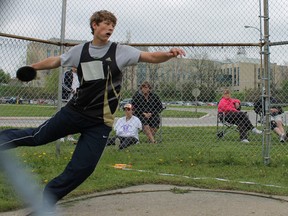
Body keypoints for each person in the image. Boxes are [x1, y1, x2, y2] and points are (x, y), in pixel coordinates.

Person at [0, 10, 185, 214]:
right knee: (37, 136)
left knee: (83, 169)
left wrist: (168, 54)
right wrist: (33, 67)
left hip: (100, 122)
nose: (110, 28)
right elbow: (57, 61)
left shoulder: (120, 51)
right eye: (106, 24)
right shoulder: (80, 51)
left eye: (113, 25)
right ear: (95, 25)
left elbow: (149, 56)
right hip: (74, 112)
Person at [60, 67, 79, 143]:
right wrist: (71, 91)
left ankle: (70, 136)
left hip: (75, 99)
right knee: (63, 116)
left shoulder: (79, 75)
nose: (76, 68)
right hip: (66, 98)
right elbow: (63, 84)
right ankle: (61, 136)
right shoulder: (67, 73)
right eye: (75, 66)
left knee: (73, 117)